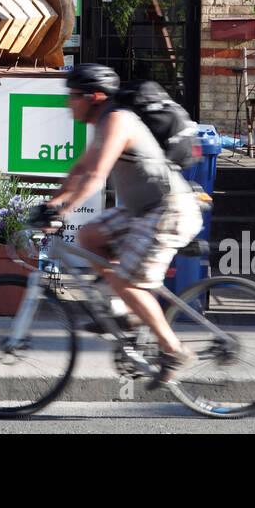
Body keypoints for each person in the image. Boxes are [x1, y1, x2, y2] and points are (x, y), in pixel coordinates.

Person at [44, 64, 204, 387]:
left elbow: (95, 176)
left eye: (73, 96)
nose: (68, 103)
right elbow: (79, 170)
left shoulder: (118, 121)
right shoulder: (104, 123)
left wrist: (63, 211)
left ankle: (174, 349)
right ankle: (125, 315)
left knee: (128, 282)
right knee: (90, 236)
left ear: (96, 97)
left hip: (169, 209)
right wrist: (48, 205)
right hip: (141, 211)